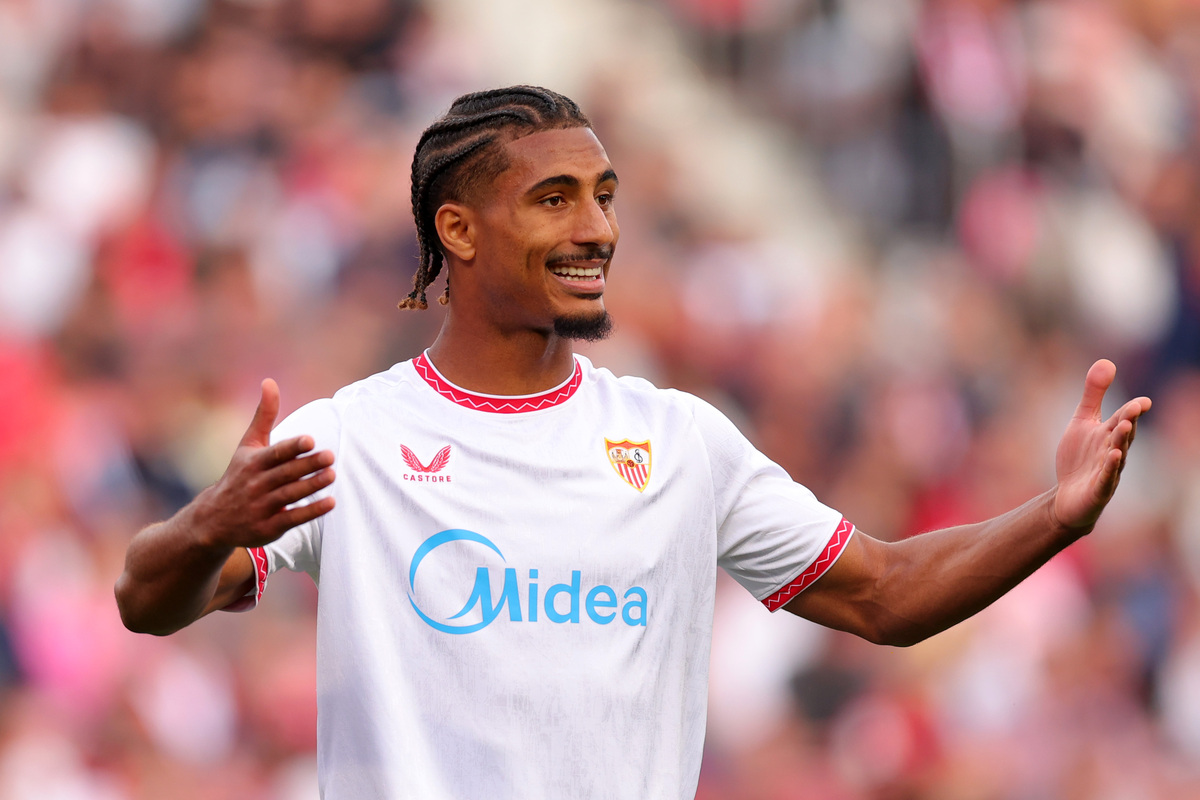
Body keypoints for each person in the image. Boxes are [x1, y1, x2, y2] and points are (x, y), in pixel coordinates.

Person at [115, 86, 1151, 799]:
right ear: (460, 229)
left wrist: (1053, 518)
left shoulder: (681, 441)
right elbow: (147, 600)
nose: (598, 228)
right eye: (554, 198)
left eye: (605, 197)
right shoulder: (348, 436)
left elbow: (885, 594)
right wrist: (208, 524)